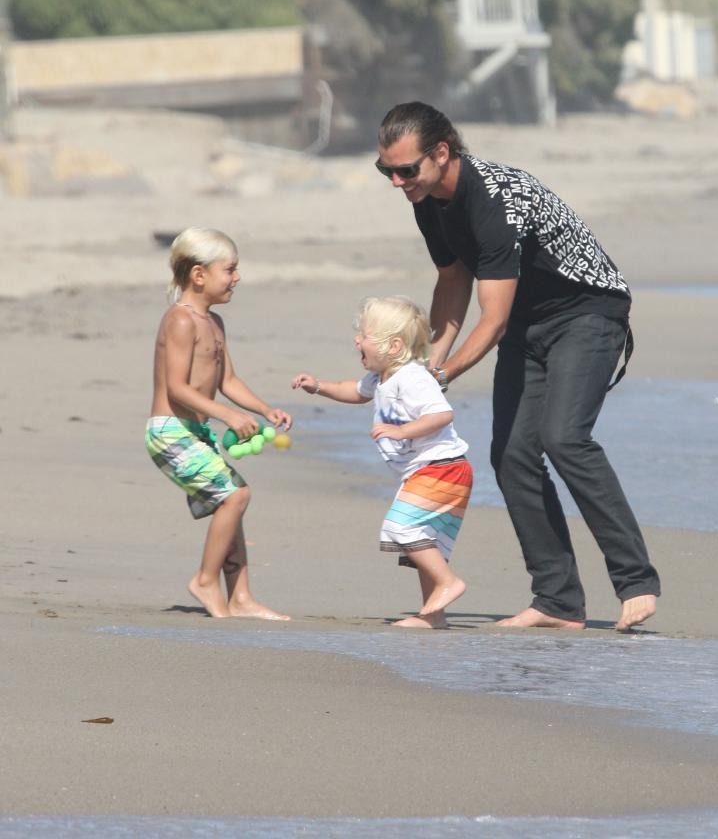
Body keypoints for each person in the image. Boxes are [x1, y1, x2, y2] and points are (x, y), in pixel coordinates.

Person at [375, 102, 661, 632]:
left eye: (406, 170)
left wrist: (442, 377)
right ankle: (557, 601)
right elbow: (454, 279)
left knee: (564, 437)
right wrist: (429, 360)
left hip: (588, 311)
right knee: (511, 457)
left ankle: (636, 580)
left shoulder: (492, 201)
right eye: (386, 171)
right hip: (529, 322)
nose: (396, 181)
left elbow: (493, 321)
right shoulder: (428, 200)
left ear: (441, 153)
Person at [291, 296, 473, 629]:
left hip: (441, 468)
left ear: (394, 345)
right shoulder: (381, 379)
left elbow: (441, 413)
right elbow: (353, 391)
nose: (356, 340)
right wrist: (318, 386)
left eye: (364, 334)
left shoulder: (413, 378)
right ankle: (433, 616)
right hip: (434, 471)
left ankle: (449, 583)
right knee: (426, 544)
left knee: (401, 527)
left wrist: (402, 430)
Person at [145, 227, 292, 620]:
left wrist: (263, 409)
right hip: (169, 431)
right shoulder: (180, 320)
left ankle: (240, 597)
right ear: (198, 275)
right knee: (235, 497)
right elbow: (176, 388)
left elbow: (228, 381)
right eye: (229, 269)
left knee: (234, 496)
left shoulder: (215, 324)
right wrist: (227, 414)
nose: (237, 277)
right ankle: (206, 581)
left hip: (194, 433)